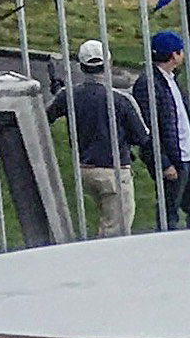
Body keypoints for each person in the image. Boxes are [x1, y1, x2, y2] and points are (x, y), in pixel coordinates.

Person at [63, 40, 148, 234]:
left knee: (107, 220)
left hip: (84, 169)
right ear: (108, 64)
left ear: (81, 66)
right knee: (116, 229)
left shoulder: (68, 95)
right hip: (114, 171)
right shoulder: (121, 99)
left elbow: (44, 115)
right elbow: (141, 136)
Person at [136, 30, 190, 225]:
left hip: (186, 156)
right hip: (173, 159)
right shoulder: (148, 84)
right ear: (174, 55)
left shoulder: (170, 79)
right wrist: (164, 162)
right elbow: (147, 128)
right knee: (169, 210)